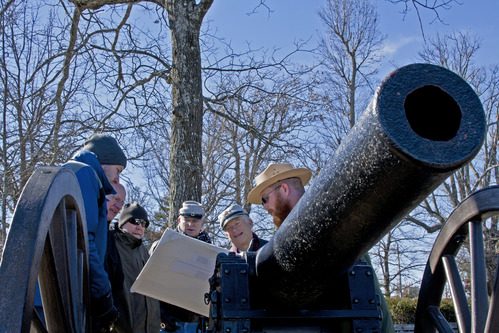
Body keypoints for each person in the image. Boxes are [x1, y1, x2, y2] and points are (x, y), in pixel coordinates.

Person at [248, 162, 395, 333]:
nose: (264, 207)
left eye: (265, 199)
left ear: (285, 189)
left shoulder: (320, 223)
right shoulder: (298, 232)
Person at [62, 133, 127, 332]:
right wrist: (103, 293)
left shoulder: (73, 172)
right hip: (69, 293)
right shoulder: (85, 173)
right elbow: (82, 239)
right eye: (118, 170)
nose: (117, 178)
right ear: (104, 161)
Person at [159, 201, 211, 333]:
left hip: (197, 324)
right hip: (170, 323)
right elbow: (151, 280)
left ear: (202, 224)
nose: (190, 224)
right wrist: (161, 314)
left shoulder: (211, 251)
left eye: (195, 221)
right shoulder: (165, 245)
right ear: (178, 220)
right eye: (187, 220)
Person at [112, 202, 161, 332]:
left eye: (144, 223)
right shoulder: (111, 246)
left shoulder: (144, 251)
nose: (140, 227)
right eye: (135, 221)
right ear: (122, 223)